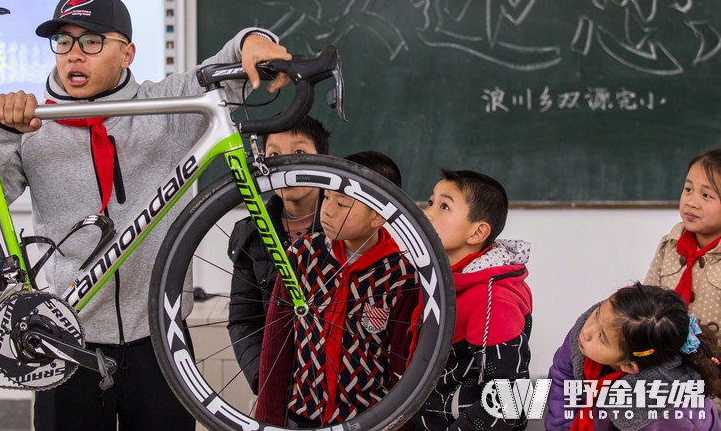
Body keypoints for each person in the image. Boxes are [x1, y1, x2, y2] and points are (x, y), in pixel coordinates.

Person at [0, 0, 291, 431]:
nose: (75, 54)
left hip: (160, 341)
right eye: (64, 41)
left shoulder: (168, 107)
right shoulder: (32, 122)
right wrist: (1, 135)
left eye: (92, 41)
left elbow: (228, 63)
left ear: (127, 53)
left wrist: (255, 40)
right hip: (65, 342)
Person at [254, 150, 419, 427]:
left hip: (367, 421)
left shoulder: (401, 277)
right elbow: (276, 343)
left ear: (378, 216)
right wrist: (267, 420)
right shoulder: (302, 254)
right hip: (301, 417)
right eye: (326, 197)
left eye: (342, 204)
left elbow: (402, 365)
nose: (327, 210)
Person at [413, 168, 533, 430]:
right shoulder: (436, 279)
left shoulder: (495, 300)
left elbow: (510, 404)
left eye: (444, 206)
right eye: (431, 202)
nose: (427, 212)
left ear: (477, 233)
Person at [226, 115, 331, 394]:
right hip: (280, 388)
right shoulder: (251, 236)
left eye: (299, 152)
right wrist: (265, 379)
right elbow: (244, 321)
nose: (286, 163)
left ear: (324, 161)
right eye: (273, 154)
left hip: (343, 385)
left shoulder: (350, 228)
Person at [545, 283, 721, 430]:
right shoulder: (587, 333)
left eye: (602, 337)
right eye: (597, 313)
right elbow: (564, 378)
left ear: (629, 366)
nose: (587, 330)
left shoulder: (667, 411)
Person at [646, 148, 721, 325]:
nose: (691, 202)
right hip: (667, 350)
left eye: (706, 195)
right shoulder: (669, 245)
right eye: (688, 189)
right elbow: (647, 305)